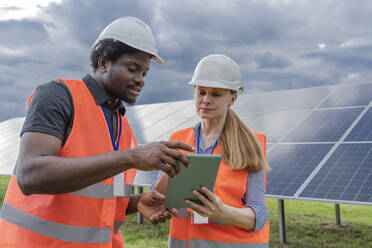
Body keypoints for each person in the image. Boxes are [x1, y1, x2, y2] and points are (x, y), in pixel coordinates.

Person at [0, 16, 193, 247]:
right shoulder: (59, 96)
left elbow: (103, 200)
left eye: (145, 73)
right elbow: (30, 176)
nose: (141, 80)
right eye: (133, 69)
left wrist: (137, 202)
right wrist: (132, 158)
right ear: (103, 63)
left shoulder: (123, 129)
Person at [155, 54, 270, 247]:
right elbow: (157, 195)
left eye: (215, 94)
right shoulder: (177, 140)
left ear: (232, 99)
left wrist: (222, 212)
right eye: (201, 92)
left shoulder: (250, 143)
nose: (206, 100)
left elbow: (259, 215)